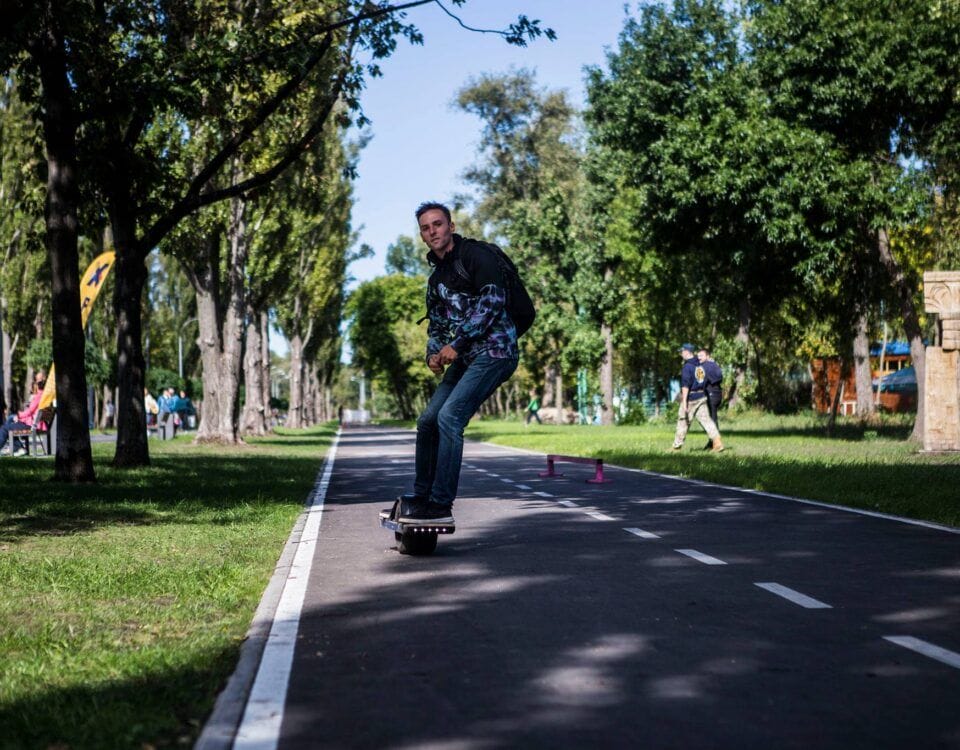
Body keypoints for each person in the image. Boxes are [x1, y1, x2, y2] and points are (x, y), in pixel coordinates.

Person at [399, 201, 520, 524]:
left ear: (450, 226)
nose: (432, 231)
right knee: (428, 420)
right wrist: (433, 353)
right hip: (465, 356)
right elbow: (437, 324)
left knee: (450, 417)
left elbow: (493, 301)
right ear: (422, 236)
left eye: (437, 224)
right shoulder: (436, 279)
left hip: (496, 351)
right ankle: (422, 496)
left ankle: (440, 503)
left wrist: (458, 342)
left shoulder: (475, 256)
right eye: (425, 228)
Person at [672, 343, 723, 452]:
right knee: (707, 421)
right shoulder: (699, 364)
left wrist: (684, 401)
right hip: (702, 396)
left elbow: (685, 386)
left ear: (686, 352)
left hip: (691, 398)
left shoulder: (687, 367)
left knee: (683, 420)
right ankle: (717, 443)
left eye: (682, 351)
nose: (681, 354)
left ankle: (676, 447)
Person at [0, 370, 46, 456]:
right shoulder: (44, 395)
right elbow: (31, 412)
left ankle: (17, 447)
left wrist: (19, 416)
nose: (35, 383)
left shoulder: (39, 395)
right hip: (34, 422)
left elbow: (30, 411)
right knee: (10, 421)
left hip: (32, 424)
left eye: (37, 381)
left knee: (5, 427)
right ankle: (18, 447)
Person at [697, 346, 723, 449]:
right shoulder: (714, 365)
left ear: (707, 356)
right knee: (710, 419)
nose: (699, 358)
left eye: (701, 355)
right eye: (698, 356)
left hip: (711, 394)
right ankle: (712, 441)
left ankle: (715, 443)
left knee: (710, 419)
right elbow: (719, 377)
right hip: (716, 394)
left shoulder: (705, 366)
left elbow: (701, 381)